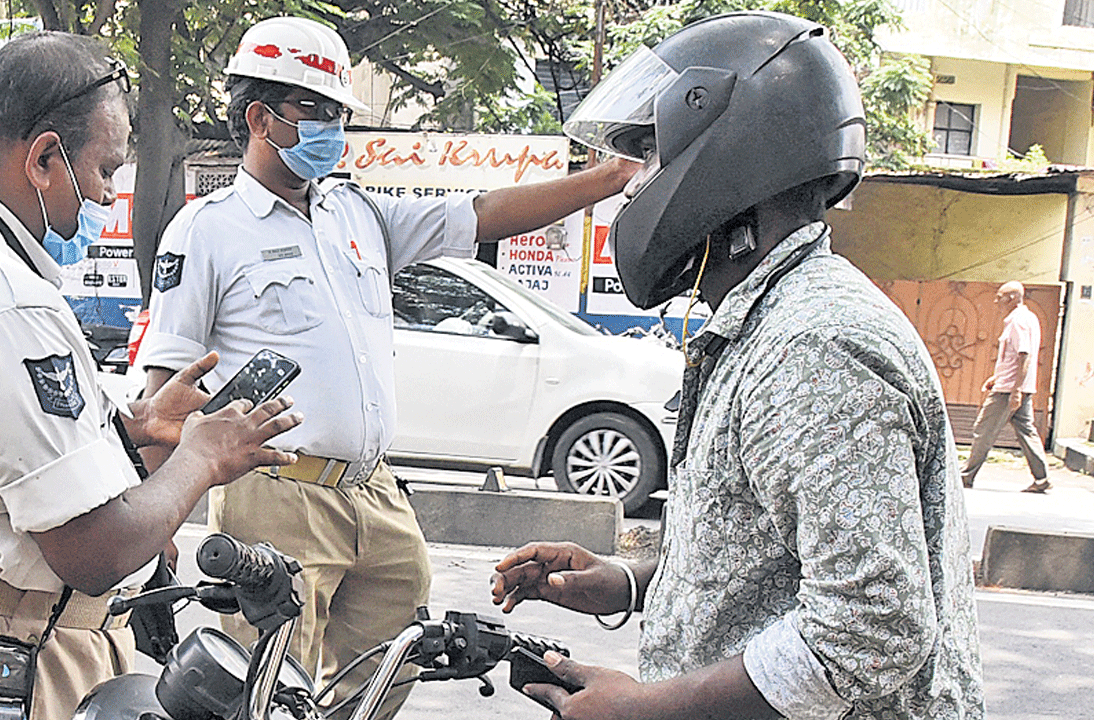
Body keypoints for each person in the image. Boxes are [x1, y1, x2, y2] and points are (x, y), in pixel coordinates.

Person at [134, 15, 638, 718]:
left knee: (389, 672)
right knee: (269, 692)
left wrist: (607, 179)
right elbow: (165, 398)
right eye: (317, 110)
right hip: (278, 494)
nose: (333, 127)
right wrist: (154, 537)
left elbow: (483, 212)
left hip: (374, 493)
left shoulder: (357, 213)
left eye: (339, 112)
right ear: (260, 117)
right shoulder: (208, 228)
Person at [491, 11, 984, 720]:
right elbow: (771, 557)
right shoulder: (766, 324)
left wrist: (649, 709)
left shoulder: (814, 345)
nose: (633, 189)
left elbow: (872, 627)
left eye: (651, 158)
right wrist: (628, 582)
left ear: (729, 156)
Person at [0, 32, 302, 720]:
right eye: (106, 168)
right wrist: (199, 459)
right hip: (1, 650)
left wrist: (127, 430)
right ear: (45, 157)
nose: (109, 194)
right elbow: (95, 549)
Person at [960, 281, 1050, 492]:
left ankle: (966, 475)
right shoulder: (1029, 318)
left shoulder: (1017, 322)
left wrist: (1014, 390)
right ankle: (1041, 477)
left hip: (1009, 390)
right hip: (1018, 385)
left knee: (984, 429)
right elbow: (1013, 359)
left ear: (1011, 298)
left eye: (999, 296)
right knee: (1026, 431)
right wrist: (997, 377)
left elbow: (1023, 356)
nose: (996, 300)